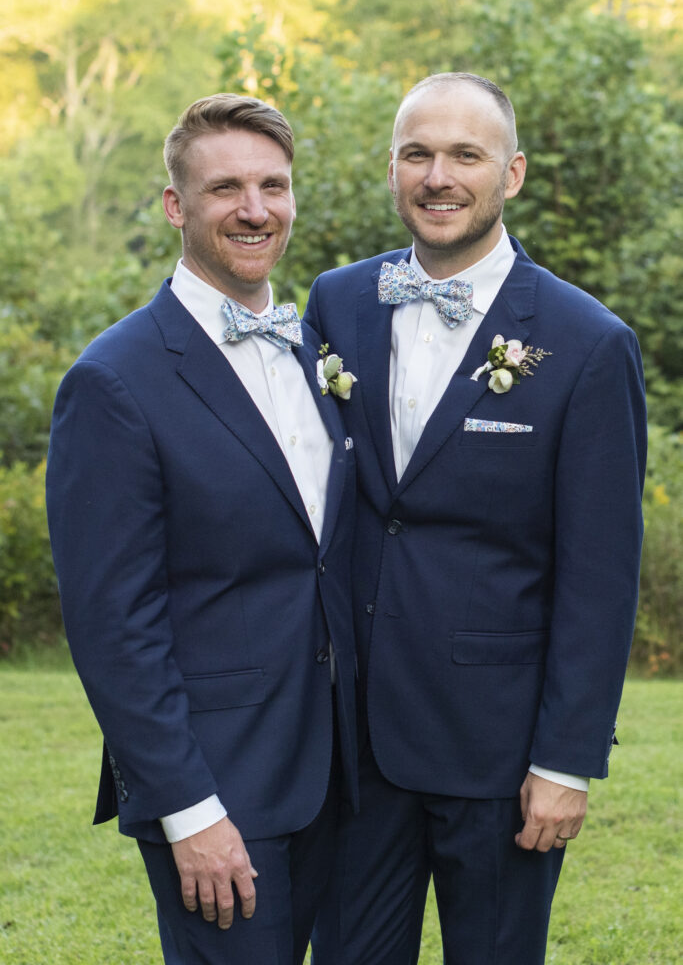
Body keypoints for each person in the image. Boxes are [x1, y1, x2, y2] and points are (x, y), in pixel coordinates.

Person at [305, 72, 647, 964]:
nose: (438, 176)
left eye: (465, 154)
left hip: (498, 756)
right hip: (353, 746)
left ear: (514, 173)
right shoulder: (336, 303)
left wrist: (565, 762)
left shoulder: (587, 342)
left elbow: (600, 574)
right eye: (416, 154)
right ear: (390, 171)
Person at [46, 93, 359, 965]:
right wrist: (189, 810)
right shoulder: (113, 382)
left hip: (347, 775)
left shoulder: (312, 349)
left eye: (274, 185)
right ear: (176, 206)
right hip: (223, 789)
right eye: (226, 188)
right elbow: (113, 625)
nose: (255, 209)